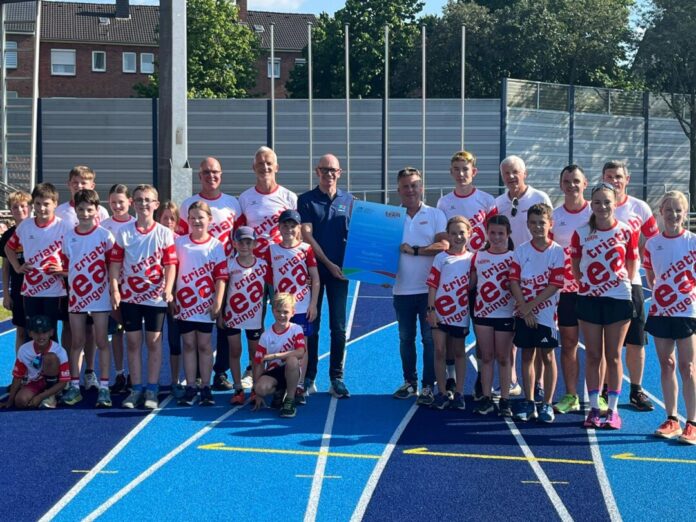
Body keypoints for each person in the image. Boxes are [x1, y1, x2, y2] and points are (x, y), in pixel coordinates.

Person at [571, 182, 637, 430]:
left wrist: (619, 286)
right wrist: (587, 286)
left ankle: (613, 410)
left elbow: (631, 264)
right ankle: (593, 408)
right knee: (593, 355)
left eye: (607, 202)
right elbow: (576, 265)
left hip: (618, 299)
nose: (602, 206)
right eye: (597, 202)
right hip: (589, 299)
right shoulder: (581, 233)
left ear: (615, 203)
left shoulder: (626, 231)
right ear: (591, 203)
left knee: (613, 355)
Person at [109, 184, 177, 410]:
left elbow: (170, 265)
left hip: (155, 298)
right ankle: (136, 387)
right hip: (131, 298)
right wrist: (115, 289)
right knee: (133, 342)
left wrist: (168, 288)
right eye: (139, 200)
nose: (143, 204)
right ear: (133, 203)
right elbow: (116, 264)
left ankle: (152, 388)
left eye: (148, 200)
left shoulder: (164, 233)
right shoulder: (124, 232)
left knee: (154, 342)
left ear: (156, 204)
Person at [179, 157, 242, 392]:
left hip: (226, 274)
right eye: (206, 172)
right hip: (195, 279)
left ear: (221, 174)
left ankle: (221, 372)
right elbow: (181, 240)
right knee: (194, 331)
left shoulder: (232, 204)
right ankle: (195, 376)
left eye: (214, 172)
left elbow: (241, 234)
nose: (210, 176)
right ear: (199, 176)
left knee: (224, 325)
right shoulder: (188, 204)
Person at [436, 150, 496, 398]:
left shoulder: (487, 200)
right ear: (451, 172)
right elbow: (442, 238)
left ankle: (483, 381)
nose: (461, 174)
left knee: (483, 333)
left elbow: (494, 236)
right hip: (454, 281)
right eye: (457, 169)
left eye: (465, 169)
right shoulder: (443, 203)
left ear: (474, 172)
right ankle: (450, 379)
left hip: (482, 276)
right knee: (452, 334)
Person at [602, 160, 659, 411]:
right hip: (601, 286)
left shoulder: (640, 207)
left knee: (636, 340)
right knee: (606, 343)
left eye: (618, 176)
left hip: (632, 282)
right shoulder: (596, 206)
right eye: (609, 176)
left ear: (627, 179)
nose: (614, 181)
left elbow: (656, 243)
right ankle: (603, 390)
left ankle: (636, 390)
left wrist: (653, 273)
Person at [494, 155, 552, 397]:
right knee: (511, 331)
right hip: (510, 274)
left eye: (515, 172)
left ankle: (537, 383)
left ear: (525, 173)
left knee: (537, 335)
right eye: (506, 173)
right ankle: (512, 380)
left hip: (538, 277)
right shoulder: (498, 203)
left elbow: (551, 234)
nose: (511, 177)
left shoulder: (540, 198)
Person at [298, 153, 354, 399]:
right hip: (314, 274)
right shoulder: (306, 201)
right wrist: (329, 264)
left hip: (341, 275)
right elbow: (307, 236)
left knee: (339, 328)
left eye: (333, 170)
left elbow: (359, 238)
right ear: (316, 171)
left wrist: (375, 270)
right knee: (312, 325)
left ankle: (336, 377)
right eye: (324, 169)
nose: (329, 174)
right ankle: (309, 376)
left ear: (340, 173)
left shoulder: (350, 200)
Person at [392, 167, 448, 406]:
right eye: (405, 186)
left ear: (421, 187)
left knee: (428, 340)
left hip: (428, 290)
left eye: (414, 185)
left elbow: (444, 244)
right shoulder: (392, 217)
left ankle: (427, 385)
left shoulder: (435, 214)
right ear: (398, 190)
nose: (410, 190)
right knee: (405, 338)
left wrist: (415, 250)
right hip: (401, 289)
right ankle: (409, 382)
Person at [643, 191, 696, 444]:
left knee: (688, 368)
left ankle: (692, 423)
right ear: (661, 212)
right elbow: (651, 277)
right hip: (661, 311)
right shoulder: (652, 244)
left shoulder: (693, 241)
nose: (673, 214)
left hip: (687, 312)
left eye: (678, 210)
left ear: (685, 213)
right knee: (667, 364)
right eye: (669, 210)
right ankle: (672, 418)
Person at [59, 189, 115, 408]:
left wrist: (113, 290)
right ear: (75, 209)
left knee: (102, 341)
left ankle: (104, 387)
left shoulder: (105, 235)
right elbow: (66, 265)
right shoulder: (69, 236)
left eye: (89, 209)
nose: (84, 213)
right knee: (77, 341)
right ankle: (74, 384)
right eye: (80, 209)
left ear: (96, 211)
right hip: (77, 297)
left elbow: (113, 266)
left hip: (100, 297)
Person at [509, 203, 565, 423]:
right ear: (528, 225)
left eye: (542, 222)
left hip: (547, 316)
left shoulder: (557, 251)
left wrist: (529, 307)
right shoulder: (521, 250)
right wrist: (524, 307)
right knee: (527, 355)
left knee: (548, 356)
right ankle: (529, 400)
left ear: (550, 224)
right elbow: (514, 281)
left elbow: (554, 284)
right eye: (533, 222)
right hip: (525, 314)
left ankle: (547, 403)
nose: (537, 227)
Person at [173, 201, 228, 407]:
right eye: (193, 217)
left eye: (201, 217)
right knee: (188, 344)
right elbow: (173, 271)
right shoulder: (180, 243)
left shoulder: (216, 246)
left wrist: (218, 302)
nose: (197, 221)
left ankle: (205, 386)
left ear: (209, 220)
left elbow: (220, 277)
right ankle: (190, 386)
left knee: (204, 345)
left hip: (205, 304)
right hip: (185, 304)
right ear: (187, 220)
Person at [266, 209, 319, 405]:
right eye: (285, 225)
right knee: (283, 344)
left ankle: (298, 386)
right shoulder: (272, 249)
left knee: (301, 347)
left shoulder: (306, 248)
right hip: (282, 309)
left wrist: (313, 304)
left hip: (303, 307)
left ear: (298, 228)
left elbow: (315, 278)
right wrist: (274, 300)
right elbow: (269, 279)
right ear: (279, 227)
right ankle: (285, 383)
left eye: (292, 225)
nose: (288, 229)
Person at [550, 165, 592, 414]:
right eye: (567, 181)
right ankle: (571, 395)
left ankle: (600, 393)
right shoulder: (555, 217)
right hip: (565, 291)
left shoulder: (596, 213)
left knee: (598, 348)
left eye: (576, 181)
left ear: (584, 183)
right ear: (561, 184)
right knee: (568, 344)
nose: (572, 185)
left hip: (594, 291)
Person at [4, 183, 70, 339]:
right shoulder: (25, 226)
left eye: (46, 204)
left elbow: (74, 253)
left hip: (54, 290)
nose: (41, 208)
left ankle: (52, 364)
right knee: (30, 332)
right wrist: (17, 266)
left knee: (50, 331)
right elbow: (9, 248)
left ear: (55, 204)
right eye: (38, 204)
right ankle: (29, 363)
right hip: (30, 290)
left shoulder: (64, 226)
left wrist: (63, 269)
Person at [426, 216, 473, 410]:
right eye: (453, 233)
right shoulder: (440, 258)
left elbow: (474, 285)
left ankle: (460, 392)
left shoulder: (473, 259)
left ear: (469, 234)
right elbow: (432, 285)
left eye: (462, 232)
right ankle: (443, 392)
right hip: (440, 312)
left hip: (460, 314)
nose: (458, 237)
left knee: (459, 352)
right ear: (448, 235)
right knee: (439, 351)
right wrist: (431, 310)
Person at [471, 215, 516, 417]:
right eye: (492, 233)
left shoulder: (514, 257)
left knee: (504, 358)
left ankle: (505, 400)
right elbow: (469, 285)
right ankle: (487, 398)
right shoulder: (478, 257)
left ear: (508, 234)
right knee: (487, 357)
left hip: (506, 313)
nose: (496, 237)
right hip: (483, 314)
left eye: (501, 233)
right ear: (486, 234)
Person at [224, 226, 271, 405]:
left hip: (255, 318)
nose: (244, 245)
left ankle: (255, 388)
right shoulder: (229, 264)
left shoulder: (262, 264)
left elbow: (271, 288)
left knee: (255, 353)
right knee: (235, 350)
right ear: (235, 244)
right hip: (233, 316)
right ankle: (237, 388)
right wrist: (221, 313)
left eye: (248, 242)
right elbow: (223, 289)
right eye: (241, 242)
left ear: (255, 244)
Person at [101, 184, 135, 395]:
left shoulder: (135, 224)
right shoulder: (104, 226)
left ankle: (134, 374)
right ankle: (120, 373)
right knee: (116, 333)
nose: (117, 206)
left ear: (129, 202)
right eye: (113, 202)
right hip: (110, 287)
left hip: (133, 290)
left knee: (134, 335)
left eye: (121, 202)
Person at [251, 292, 306, 418]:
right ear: (273, 311)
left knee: (292, 360)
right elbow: (259, 362)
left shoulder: (296, 329)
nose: (282, 315)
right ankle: (279, 391)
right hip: (274, 372)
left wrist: (275, 356)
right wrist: (257, 392)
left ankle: (290, 400)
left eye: (285, 312)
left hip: (291, 369)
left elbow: (300, 352)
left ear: (293, 312)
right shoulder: (266, 336)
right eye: (278, 311)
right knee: (260, 388)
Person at [0, 315, 70, 410]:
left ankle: (51, 395)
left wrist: (40, 397)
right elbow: (18, 376)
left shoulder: (60, 351)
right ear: (30, 333)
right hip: (35, 382)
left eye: (44, 332)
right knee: (20, 402)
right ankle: (42, 396)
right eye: (37, 333)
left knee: (50, 357)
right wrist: (10, 401)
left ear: (51, 332)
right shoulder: (24, 350)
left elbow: (63, 381)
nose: (41, 336)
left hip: (56, 382)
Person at [239, 146, 298, 257]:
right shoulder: (244, 198)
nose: (265, 167)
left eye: (269, 163)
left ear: (276, 167)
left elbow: (298, 234)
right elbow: (240, 232)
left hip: (283, 260)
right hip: (255, 263)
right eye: (260, 163)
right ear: (253, 168)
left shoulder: (290, 197)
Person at [157, 201, 184, 398]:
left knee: (180, 341)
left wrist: (173, 294)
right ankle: (153, 380)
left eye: (172, 218)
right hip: (154, 298)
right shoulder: (154, 237)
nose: (168, 221)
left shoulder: (181, 242)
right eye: (165, 217)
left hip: (176, 298)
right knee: (157, 341)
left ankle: (179, 380)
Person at [0, 190, 32, 351]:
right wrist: (6, 294)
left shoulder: (39, 230)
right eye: (15, 207)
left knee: (42, 331)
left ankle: (45, 368)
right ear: (10, 210)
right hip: (18, 290)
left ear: (31, 207)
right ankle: (22, 368)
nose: (20, 210)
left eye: (23, 206)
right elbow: (5, 268)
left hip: (41, 290)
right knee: (21, 331)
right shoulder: (8, 235)